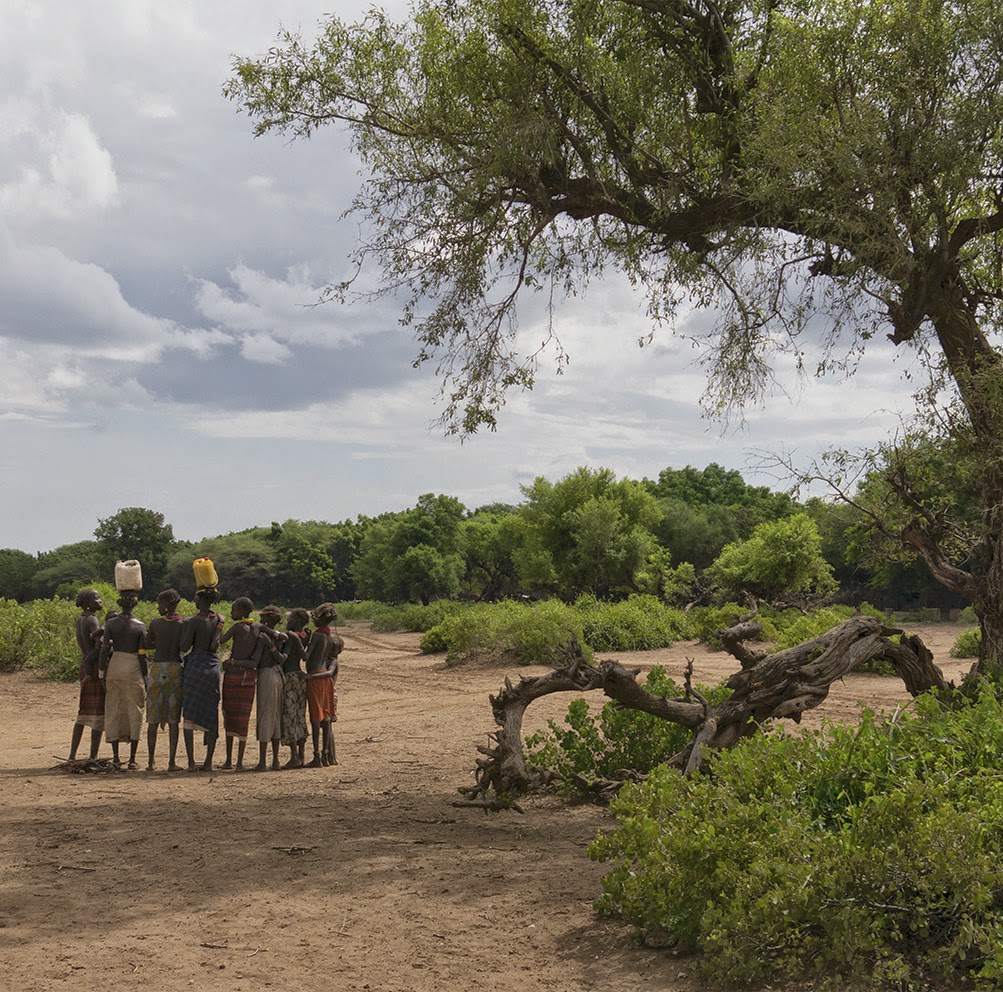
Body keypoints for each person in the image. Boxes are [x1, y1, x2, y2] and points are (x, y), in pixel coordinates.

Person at [98, 590, 148, 769]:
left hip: (115, 666)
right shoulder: (140, 626)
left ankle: (116, 758)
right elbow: (142, 654)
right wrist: (146, 676)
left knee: (113, 708)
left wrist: (101, 672)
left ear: (120, 603)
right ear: (135, 604)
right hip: (133, 667)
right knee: (135, 710)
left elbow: (105, 650)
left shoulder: (111, 624)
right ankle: (132, 759)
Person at [180, 587, 224, 771]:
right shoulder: (219, 619)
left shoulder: (195, 621)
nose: (195, 602)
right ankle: (208, 762)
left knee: (189, 714)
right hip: (213, 668)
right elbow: (216, 644)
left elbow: (184, 646)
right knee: (211, 713)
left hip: (196, 667)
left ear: (201, 600)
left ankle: (191, 762)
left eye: (196, 599)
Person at [218, 597, 263, 770]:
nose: (231, 613)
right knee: (243, 718)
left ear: (242, 612)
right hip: (248, 678)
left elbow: (220, 641)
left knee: (229, 717)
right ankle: (239, 762)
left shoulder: (237, 628)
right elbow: (254, 662)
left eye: (234, 610)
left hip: (233, 677)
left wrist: (218, 626)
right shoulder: (257, 628)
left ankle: (229, 760)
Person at [145, 588, 185, 771]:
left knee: (153, 717)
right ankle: (171, 762)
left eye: (159, 604)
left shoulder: (155, 623)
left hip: (157, 669)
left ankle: (151, 762)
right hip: (176, 669)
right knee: (173, 719)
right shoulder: (183, 623)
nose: (158, 607)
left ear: (166, 604)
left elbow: (147, 644)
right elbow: (184, 646)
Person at [68, 588, 105, 761]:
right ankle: (93, 755)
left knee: (83, 712)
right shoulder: (92, 620)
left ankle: (72, 755)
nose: (100, 601)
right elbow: (98, 646)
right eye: (96, 598)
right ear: (87, 603)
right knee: (98, 712)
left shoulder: (80, 619)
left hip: (84, 665)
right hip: (94, 668)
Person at [305, 603, 342, 767]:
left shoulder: (317, 636)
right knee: (326, 717)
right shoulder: (329, 637)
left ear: (320, 620)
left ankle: (316, 756)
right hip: (325, 679)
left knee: (315, 718)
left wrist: (302, 641)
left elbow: (306, 656)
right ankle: (326, 755)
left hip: (315, 676)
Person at [252, 604, 285, 771]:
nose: (260, 618)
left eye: (263, 616)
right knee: (276, 716)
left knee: (265, 715)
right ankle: (276, 760)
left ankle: (263, 761)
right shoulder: (281, 637)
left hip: (266, 675)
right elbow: (282, 659)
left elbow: (256, 659)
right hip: (278, 675)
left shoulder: (263, 636)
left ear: (268, 618)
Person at [279, 607, 311, 769]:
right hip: (300, 677)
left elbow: (290, 657)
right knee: (300, 715)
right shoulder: (304, 636)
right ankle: (301, 754)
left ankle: (294, 756)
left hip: (290, 678)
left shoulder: (291, 636)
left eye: (290, 618)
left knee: (289, 716)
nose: (288, 621)